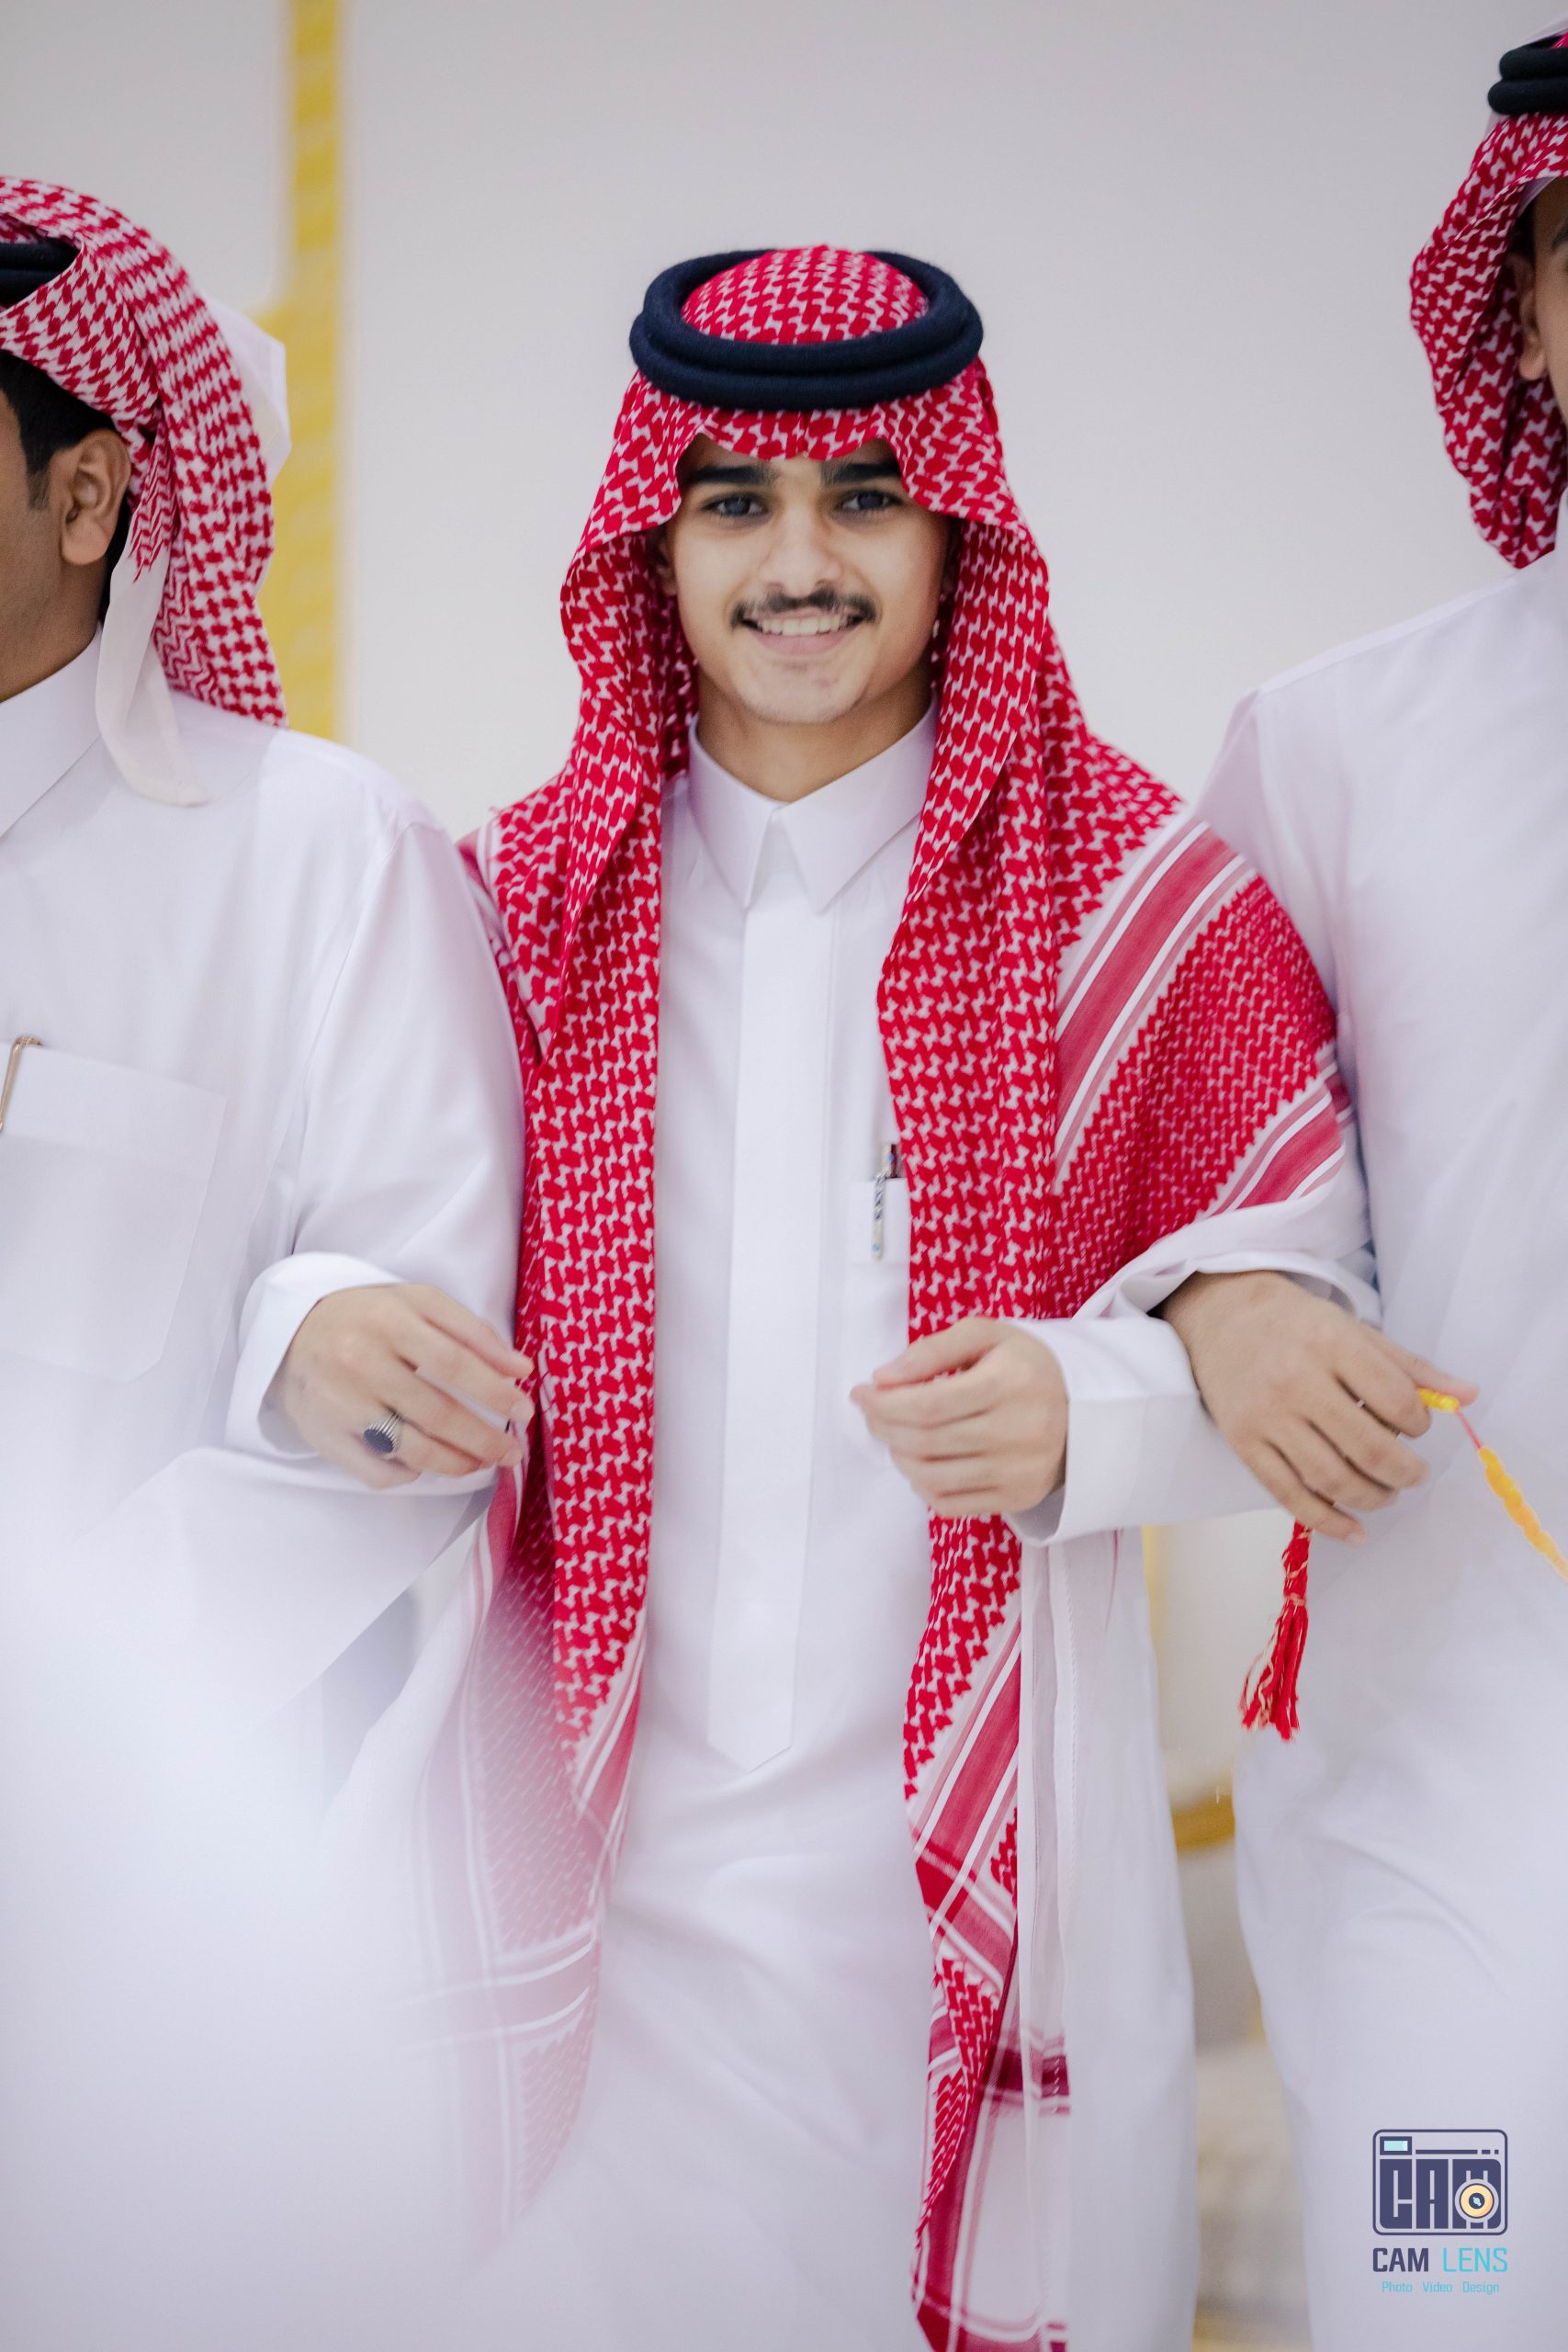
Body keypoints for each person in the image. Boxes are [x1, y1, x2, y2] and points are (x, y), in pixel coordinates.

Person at [288, 245, 1446, 2352]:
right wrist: (312, 1325)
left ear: (952, 533)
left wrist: (1093, 1400)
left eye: (861, 500)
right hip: (589, 1904)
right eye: (734, 502)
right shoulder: (513, 903)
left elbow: (1301, 1321)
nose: (798, 562)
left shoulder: (1133, 900)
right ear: (653, 545)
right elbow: (327, 1241)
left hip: (963, 1893)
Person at [1164, 35, 1568, 2348]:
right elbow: (1182, 1152)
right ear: (1518, 317)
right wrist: (1230, 1296)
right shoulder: (1334, 744)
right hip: (1451, 1765)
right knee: (1449, 2303)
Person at [0, 180, 529, 1735]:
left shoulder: (323, 856)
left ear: (86, 498)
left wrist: (60, 1712)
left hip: (112, 1812)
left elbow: (419, 1412)